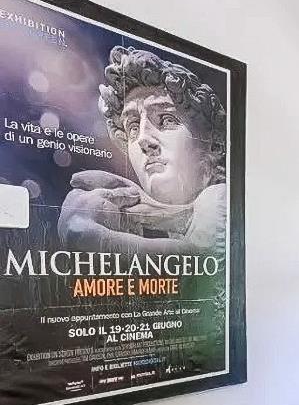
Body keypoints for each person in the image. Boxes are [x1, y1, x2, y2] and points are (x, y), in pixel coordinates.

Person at [58, 46, 227, 255]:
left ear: (214, 145)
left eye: (166, 120)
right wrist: (144, 209)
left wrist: (97, 239)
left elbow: (198, 261)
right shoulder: (191, 219)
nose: (143, 139)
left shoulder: (218, 197)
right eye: (133, 127)